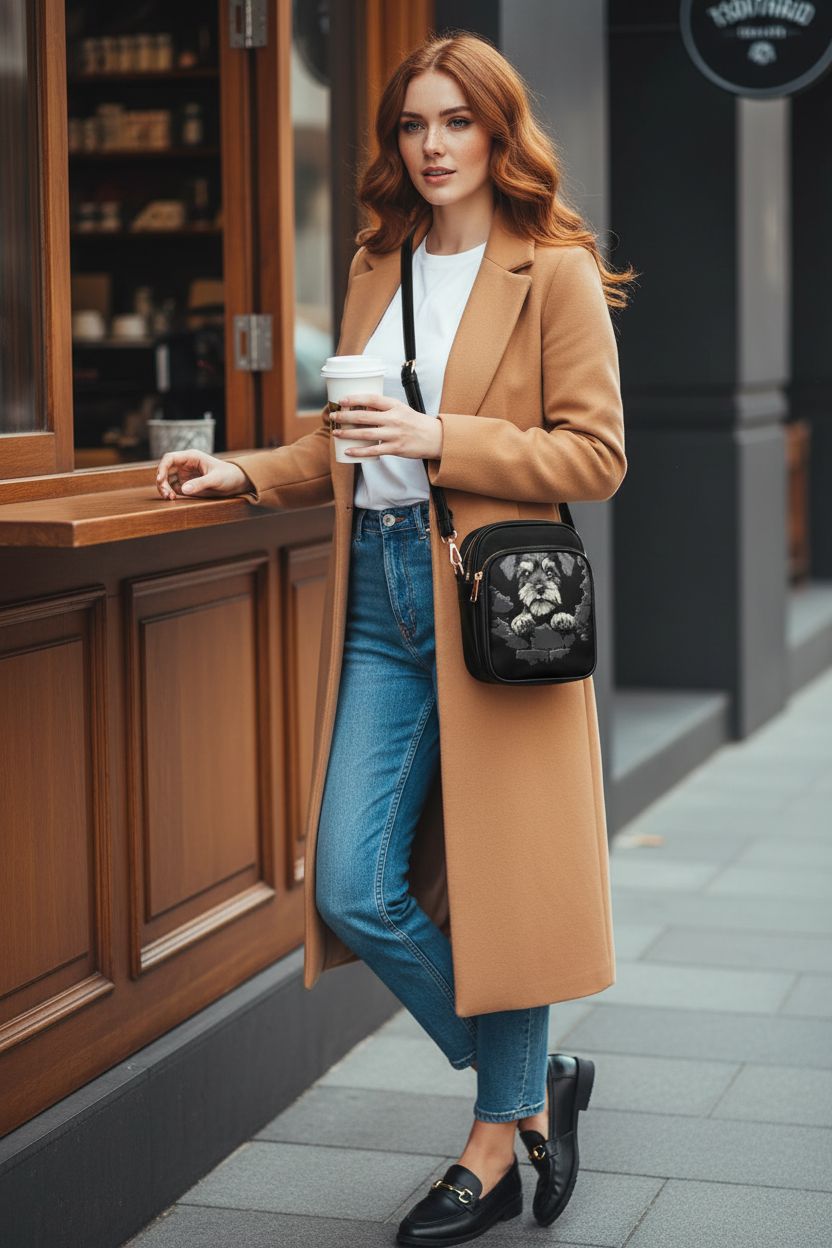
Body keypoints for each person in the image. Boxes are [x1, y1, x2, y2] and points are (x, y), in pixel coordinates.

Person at [156, 32, 633, 1246]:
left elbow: (594, 455)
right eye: (413, 125)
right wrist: (241, 471)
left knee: (503, 889)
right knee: (357, 883)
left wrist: (442, 440)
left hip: (490, 602)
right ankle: (532, 1091)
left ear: (497, 133)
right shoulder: (378, 260)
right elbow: (342, 442)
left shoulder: (555, 271)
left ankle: (490, 1146)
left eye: (455, 123)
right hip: (378, 599)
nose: (430, 146)